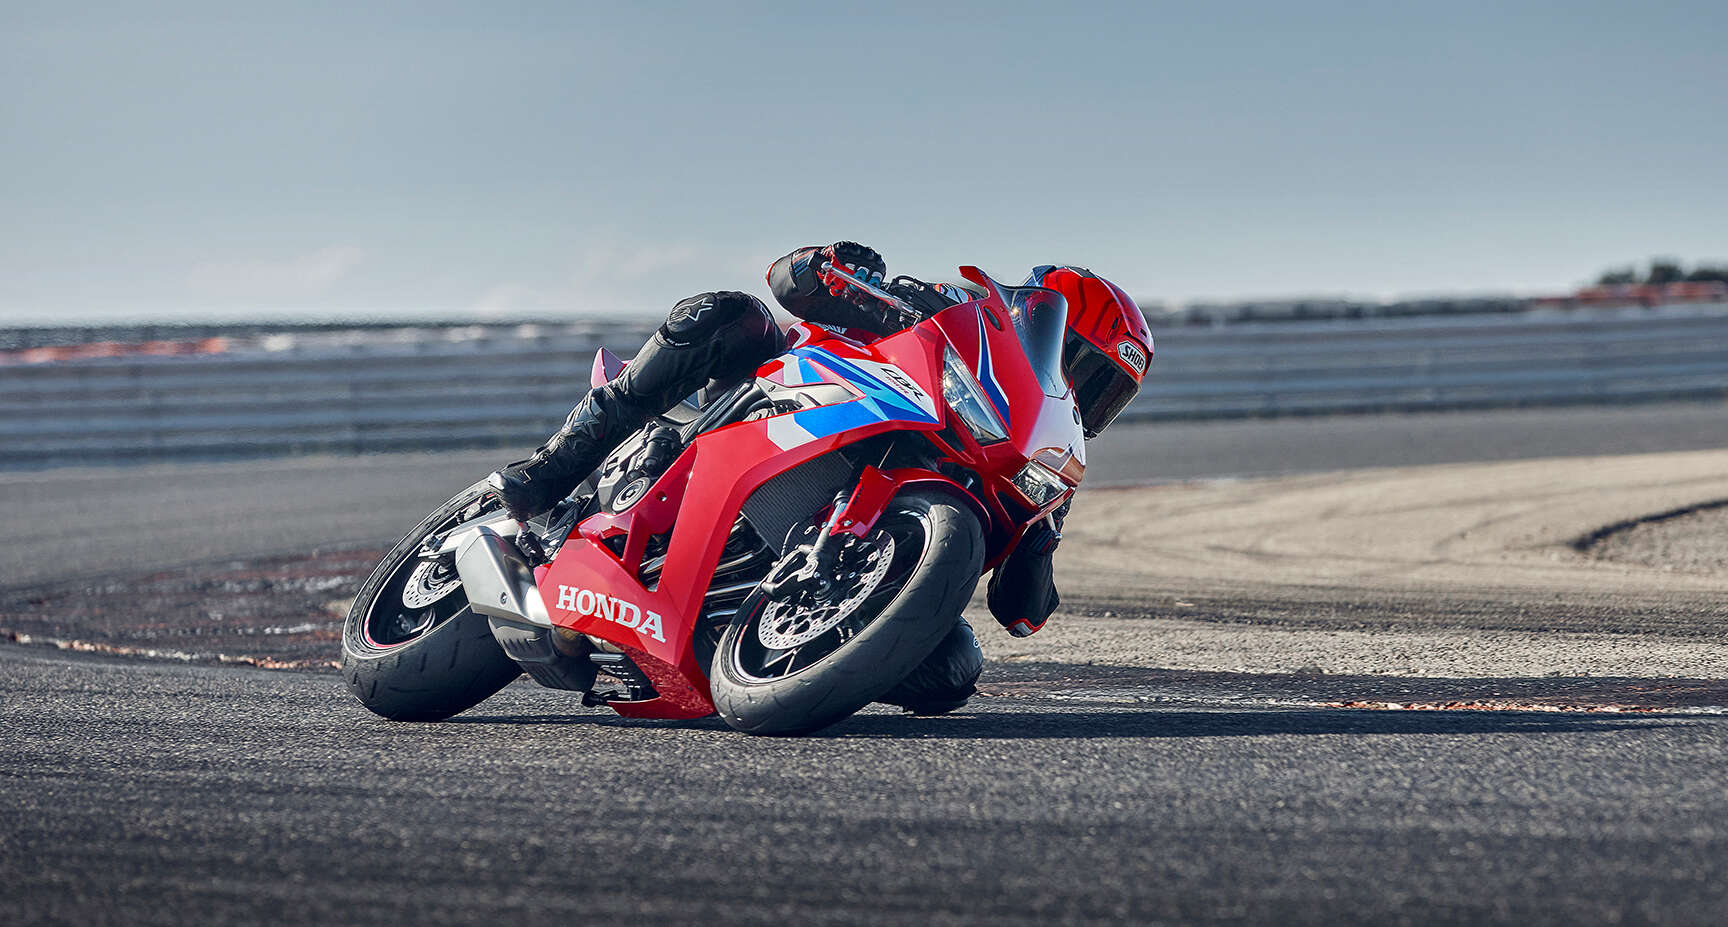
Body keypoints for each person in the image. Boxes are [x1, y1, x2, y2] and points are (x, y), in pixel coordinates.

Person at [488, 242, 1152, 713]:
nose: (1084, 398)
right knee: (726, 314)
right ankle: (553, 470)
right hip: (809, 403)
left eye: (1106, 394)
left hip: (870, 528)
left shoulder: (1044, 469)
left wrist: (1040, 539)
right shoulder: (958, 314)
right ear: (1042, 323)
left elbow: (1022, 613)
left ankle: (762, 648)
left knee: (952, 670)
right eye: (1084, 369)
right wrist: (842, 270)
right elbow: (795, 278)